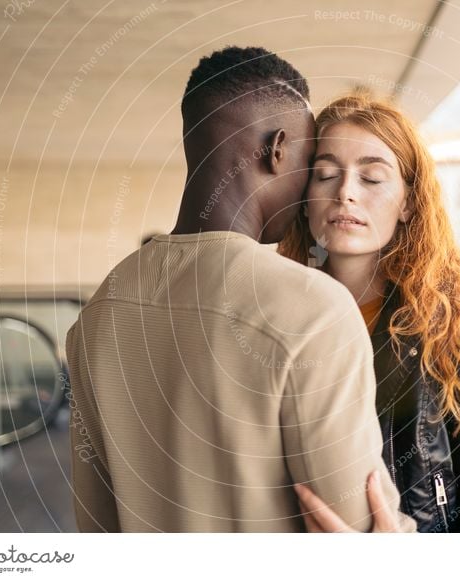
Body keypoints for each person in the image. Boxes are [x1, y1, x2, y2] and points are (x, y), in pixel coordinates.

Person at [66, 48, 413, 532]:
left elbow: (97, 527)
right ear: (278, 150)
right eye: (313, 163)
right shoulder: (315, 311)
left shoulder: (97, 317)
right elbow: (361, 524)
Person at [280, 92, 460, 532]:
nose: (345, 192)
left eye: (372, 178)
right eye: (325, 175)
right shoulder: (277, 317)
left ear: (407, 203)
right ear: (305, 197)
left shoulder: (456, 318)